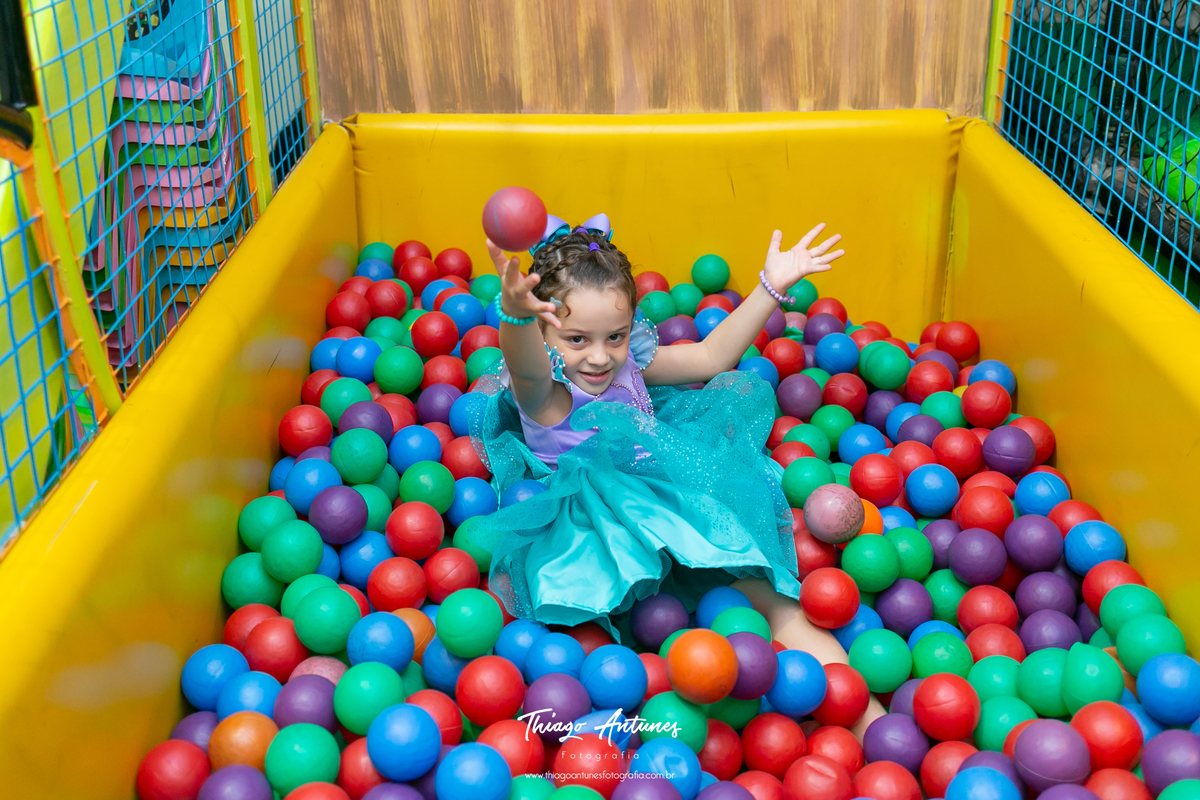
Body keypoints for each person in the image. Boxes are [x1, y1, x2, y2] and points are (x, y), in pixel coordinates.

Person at [468, 213, 845, 639]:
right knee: (597, 632)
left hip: (665, 494)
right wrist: (516, 318)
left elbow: (709, 358)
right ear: (543, 332)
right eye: (577, 339)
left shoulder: (628, 365)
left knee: (751, 577)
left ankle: (834, 671)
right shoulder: (545, 393)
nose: (599, 357)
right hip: (593, 527)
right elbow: (525, 366)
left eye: (616, 336)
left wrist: (770, 287)